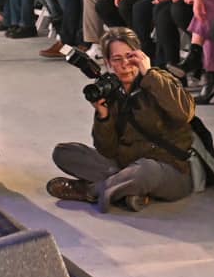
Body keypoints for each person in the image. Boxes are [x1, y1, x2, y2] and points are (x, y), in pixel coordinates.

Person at [47, 28, 199, 213]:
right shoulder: (112, 90)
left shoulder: (161, 79)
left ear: (141, 56)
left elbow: (184, 113)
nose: (125, 64)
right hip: (126, 164)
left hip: (169, 170)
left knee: (144, 171)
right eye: (117, 59)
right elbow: (107, 150)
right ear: (109, 63)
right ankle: (126, 190)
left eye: (130, 57)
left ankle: (91, 190)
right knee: (64, 153)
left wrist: (149, 74)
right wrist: (104, 117)